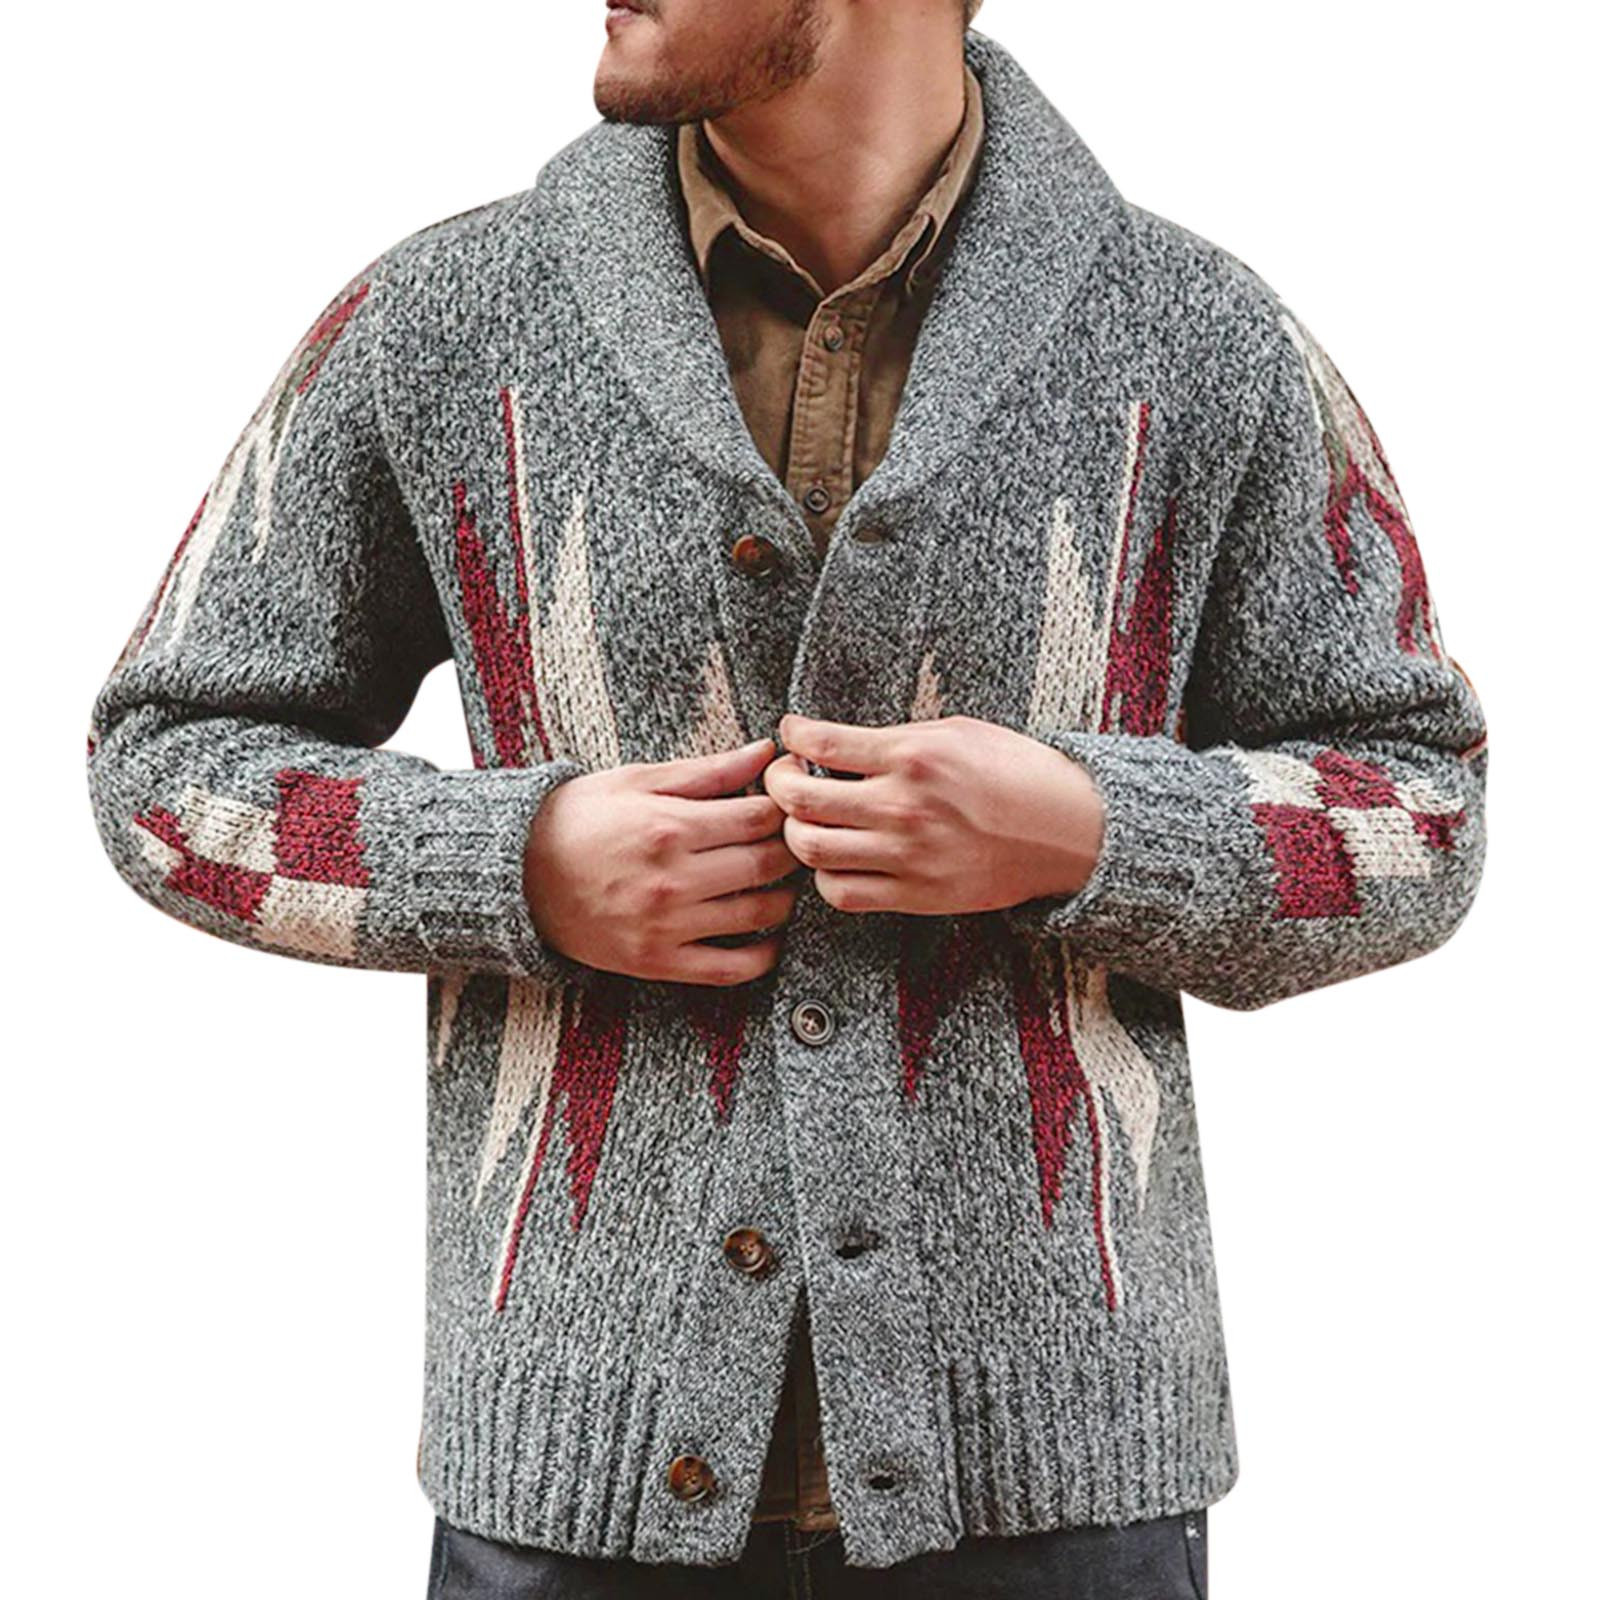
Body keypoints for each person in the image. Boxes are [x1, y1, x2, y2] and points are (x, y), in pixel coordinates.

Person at [84, 3, 1488, 1597]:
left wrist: (1091, 833)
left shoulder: (1202, 337)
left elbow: (1423, 810)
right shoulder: (443, 321)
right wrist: (511, 863)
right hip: (573, 1482)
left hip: (1058, 1496)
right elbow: (164, 762)